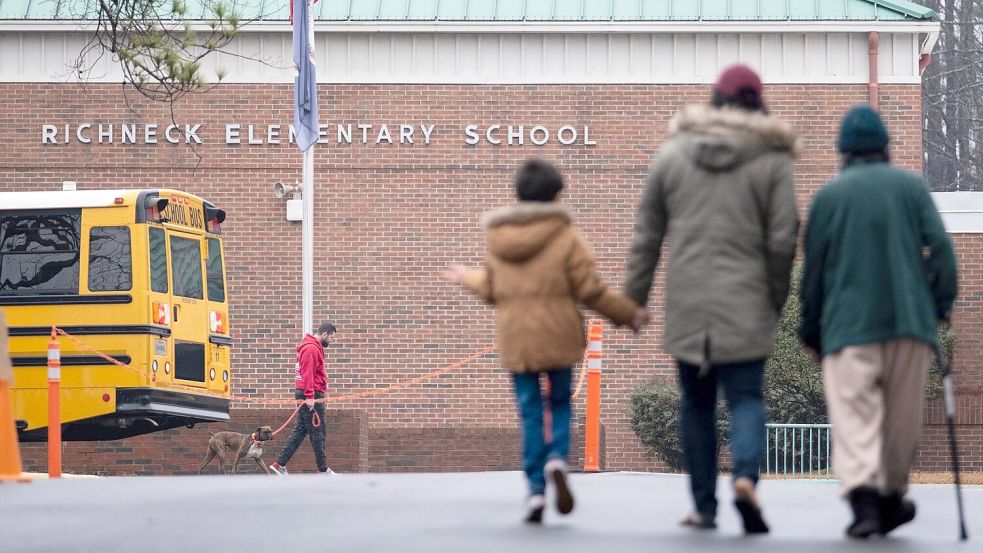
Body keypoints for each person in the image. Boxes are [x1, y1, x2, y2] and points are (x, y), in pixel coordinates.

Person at [623, 64, 799, 534]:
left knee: (695, 404)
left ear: (713, 102)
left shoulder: (674, 154)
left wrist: (634, 301)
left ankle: (704, 506)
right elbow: (784, 238)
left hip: (689, 304)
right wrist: (776, 296)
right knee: (745, 397)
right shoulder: (772, 159)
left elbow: (647, 234)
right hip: (748, 300)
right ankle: (745, 477)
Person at [446, 159, 643, 524]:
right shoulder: (566, 238)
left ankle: (536, 490)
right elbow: (591, 290)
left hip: (517, 338)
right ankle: (557, 458)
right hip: (559, 335)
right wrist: (627, 314)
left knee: (530, 410)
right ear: (556, 196)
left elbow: (491, 288)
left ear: (518, 195)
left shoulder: (499, 239)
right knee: (560, 403)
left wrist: (465, 276)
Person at [798, 104, 958, 539]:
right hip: (909, 325)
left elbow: (813, 273)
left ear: (843, 152)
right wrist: (939, 306)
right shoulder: (911, 188)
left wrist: (810, 328)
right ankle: (891, 496)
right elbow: (942, 251)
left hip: (849, 330)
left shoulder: (830, 197)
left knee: (855, 416)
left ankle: (865, 500)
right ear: (886, 147)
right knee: (900, 420)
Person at [270, 321, 337, 475]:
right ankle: (323, 470)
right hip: (310, 395)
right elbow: (307, 373)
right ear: (325, 334)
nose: (332, 341)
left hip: (309, 394)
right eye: (332, 338)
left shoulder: (311, 347)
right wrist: (310, 396)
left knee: (301, 430)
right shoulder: (311, 349)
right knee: (318, 432)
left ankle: (279, 464)